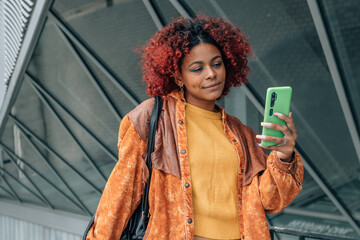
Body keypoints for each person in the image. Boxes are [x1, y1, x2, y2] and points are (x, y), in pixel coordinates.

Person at [86, 15, 303, 240]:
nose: (211, 74)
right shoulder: (152, 119)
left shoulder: (241, 133)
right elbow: (119, 199)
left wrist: (283, 155)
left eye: (217, 64)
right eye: (197, 69)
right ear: (178, 76)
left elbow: (270, 201)